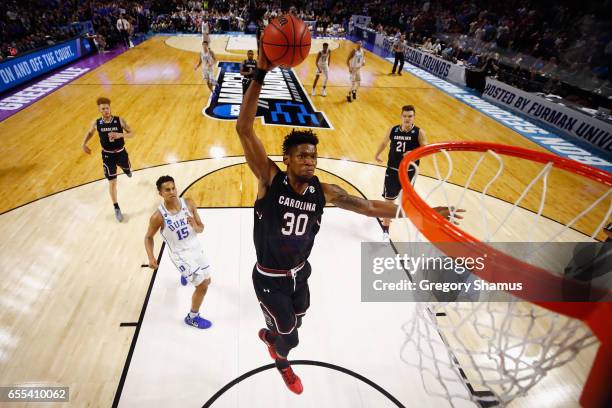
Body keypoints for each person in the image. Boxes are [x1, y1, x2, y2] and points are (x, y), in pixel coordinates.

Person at [235, 48, 459, 395]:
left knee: (299, 317)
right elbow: (244, 128)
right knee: (290, 337)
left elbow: (370, 207)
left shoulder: (324, 191)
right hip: (269, 277)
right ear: (287, 159)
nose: (310, 161)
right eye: (302, 156)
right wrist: (261, 74)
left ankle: (273, 331)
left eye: (313, 156)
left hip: (300, 272)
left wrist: (422, 213)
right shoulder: (269, 178)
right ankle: (279, 358)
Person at [144, 175, 213, 329]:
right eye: (167, 190)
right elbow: (148, 237)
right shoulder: (158, 217)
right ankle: (192, 317)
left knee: (208, 280)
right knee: (202, 286)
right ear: (160, 193)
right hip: (179, 254)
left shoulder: (188, 203)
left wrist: (195, 225)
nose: (172, 191)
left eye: (173, 188)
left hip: (194, 247)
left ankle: (185, 273)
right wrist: (151, 257)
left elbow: (201, 228)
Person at [374, 105, 426, 241]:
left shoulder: (419, 132)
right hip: (392, 170)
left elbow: (425, 148)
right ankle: (385, 229)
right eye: (405, 116)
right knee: (389, 201)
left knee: (406, 202)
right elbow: (385, 142)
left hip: (409, 172)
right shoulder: (393, 129)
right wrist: (377, 154)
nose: (407, 118)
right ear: (401, 116)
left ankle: (412, 227)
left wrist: (414, 153)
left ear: (414, 117)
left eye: (410, 116)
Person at [81, 97, 134, 222]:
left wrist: (120, 134)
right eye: (103, 109)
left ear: (110, 108)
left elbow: (132, 133)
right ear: (100, 110)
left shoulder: (119, 121)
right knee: (112, 182)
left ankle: (127, 169)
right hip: (107, 155)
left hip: (121, 152)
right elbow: (89, 133)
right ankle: (116, 207)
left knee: (127, 168)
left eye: (107, 108)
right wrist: (83, 144)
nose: (106, 110)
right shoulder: (96, 123)